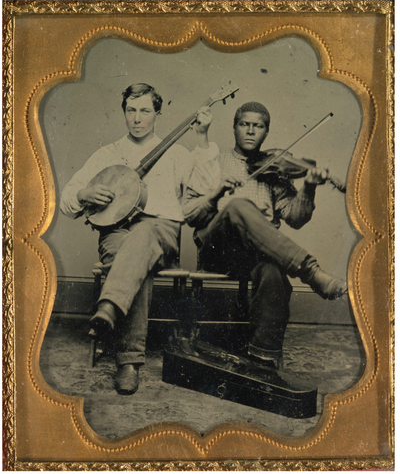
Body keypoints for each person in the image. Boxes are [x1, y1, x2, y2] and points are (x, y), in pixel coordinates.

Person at [60, 83, 215, 394]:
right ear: (124, 113)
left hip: (161, 233)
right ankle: (129, 360)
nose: (137, 118)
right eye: (131, 110)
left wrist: (202, 137)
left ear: (157, 113)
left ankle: (111, 313)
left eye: (145, 110)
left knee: (142, 236)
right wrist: (84, 192)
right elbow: (66, 202)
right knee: (132, 261)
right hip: (116, 234)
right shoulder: (108, 154)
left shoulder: (177, 153)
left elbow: (208, 188)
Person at [183, 101, 347, 368]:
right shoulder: (213, 161)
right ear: (234, 127)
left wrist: (308, 187)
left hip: (256, 253)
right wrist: (217, 195)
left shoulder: (274, 169)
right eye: (244, 125)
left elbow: (295, 219)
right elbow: (191, 215)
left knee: (273, 270)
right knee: (238, 206)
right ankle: (311, 272)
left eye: (257, 126)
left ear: (266, 132)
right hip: (218, 249)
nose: (250, 131)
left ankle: (263, 358)